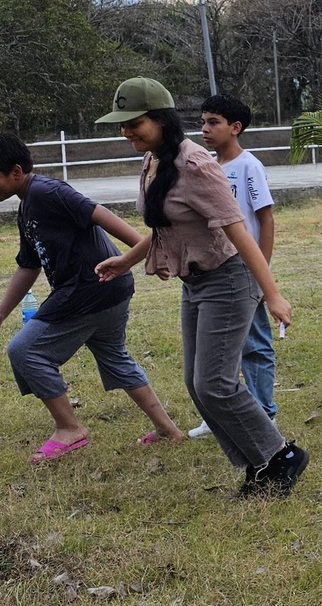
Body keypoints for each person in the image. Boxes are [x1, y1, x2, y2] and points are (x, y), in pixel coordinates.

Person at [92, 78, 308, 495]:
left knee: (215, 383)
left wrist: (273, 293)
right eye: (122, 125)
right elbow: (164, 226)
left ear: (160, 119)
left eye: (134, 123)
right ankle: (261, 463)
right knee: (198, 382)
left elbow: (239, 230)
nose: (127, 133)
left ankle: (281, 456)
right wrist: (127, 259)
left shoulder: (196, 165)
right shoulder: (155, 160)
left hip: (229, 279)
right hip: (197, 283)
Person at [0, 134, 184, 460]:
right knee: (115, 357)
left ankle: (70, 428)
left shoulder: (47, 192)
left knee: (25, 350)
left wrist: (147, 250)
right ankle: (168, 430)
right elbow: (28, 265)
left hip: (90, 287)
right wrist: (0, 313)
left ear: (16, 171)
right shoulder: (28, 206)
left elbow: (101, 214)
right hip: (110, 288)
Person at [193, 94, 277, 436]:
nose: (205, 129)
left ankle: (264, 412)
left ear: (235, 128)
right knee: (219, 347)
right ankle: (219, 414)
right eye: (203, 122)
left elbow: (265, 220)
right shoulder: (207, 167)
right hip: (215, 271)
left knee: (254, 344)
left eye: (214, 122)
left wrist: (262, 274)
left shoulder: (248, 167)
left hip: (244, 269)